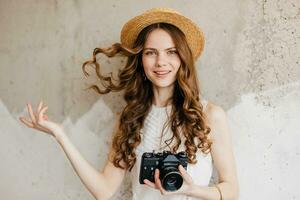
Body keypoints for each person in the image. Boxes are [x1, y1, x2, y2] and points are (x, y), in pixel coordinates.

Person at [19, 7, 239, 200]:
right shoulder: (130, 120)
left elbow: (232, 190)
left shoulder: (209, 114)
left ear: (183, 58)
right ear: (140, 60)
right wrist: (60, 135)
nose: (161, 62)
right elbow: (103, 191)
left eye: (171, 52)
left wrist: (192, 190)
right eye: (151, 53)